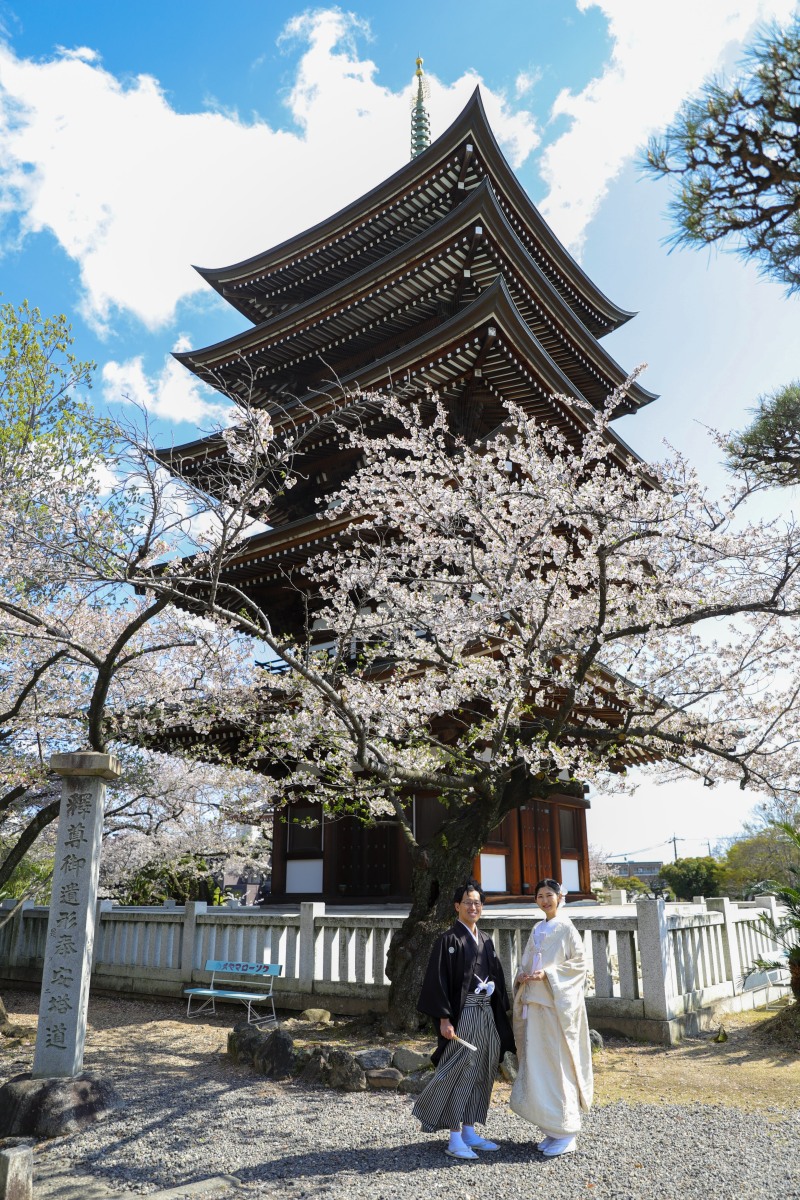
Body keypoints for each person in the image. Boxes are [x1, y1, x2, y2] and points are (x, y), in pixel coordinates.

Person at [413, 880, 515, 1160]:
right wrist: (444, 1019)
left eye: (478, 902)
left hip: (485, 1013)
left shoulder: (485, 940)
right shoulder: (449, 940)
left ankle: (470, 1130)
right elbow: (439, 982)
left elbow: (497, 977)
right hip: (463, 1014)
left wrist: (495, 994)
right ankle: (454, 1136)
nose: (474, 906)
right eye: (468, 902)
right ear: (457, 906)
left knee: (482, 1069)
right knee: (459, 1071)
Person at [509, 877, 593, 1157]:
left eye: (549, 895)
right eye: (540, 896)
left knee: (557, 1066)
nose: (545, 900)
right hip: (535, 1003)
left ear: (559, 897)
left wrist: (550, 974)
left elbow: (579, 965)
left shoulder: (567, 928)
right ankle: (550, 1129)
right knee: (539, 1065)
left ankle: (567, 1131)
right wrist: (521, 975)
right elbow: (526, 961)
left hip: (556, 1007)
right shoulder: (537, 928)